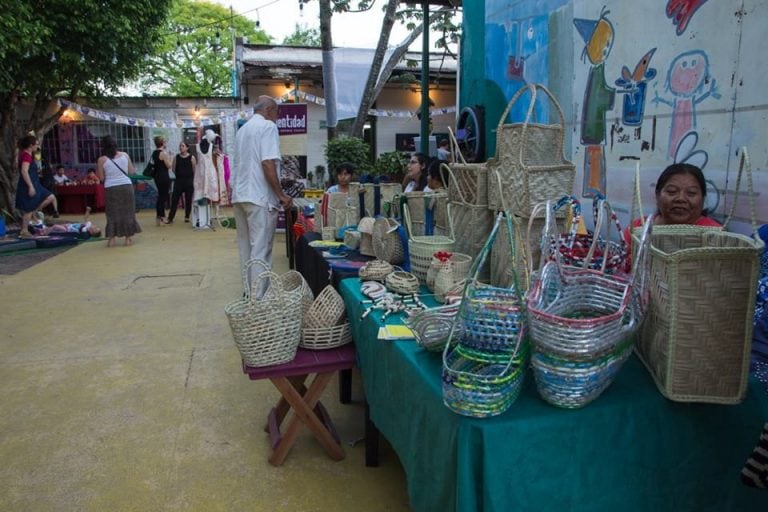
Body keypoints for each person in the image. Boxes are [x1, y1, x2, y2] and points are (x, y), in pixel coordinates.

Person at [231, 95, 292, 294]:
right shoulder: (267, 127)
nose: (276, 118)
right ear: (268, 110)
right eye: (276, 113)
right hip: (259, 197)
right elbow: (267, 163)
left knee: (246, 249)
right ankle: (258, 299)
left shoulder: (242, 130)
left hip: (241, 195)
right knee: (260, 250)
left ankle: (249, 292)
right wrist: (281, 195)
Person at [623, 162, 721, 267]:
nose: (681, 199)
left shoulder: (716, 235)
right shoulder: (638, 228)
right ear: (657, 195)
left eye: (691, 193)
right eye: (672, 191)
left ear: (703, 198)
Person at [96, 135, 142, 247]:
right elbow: (131, 172)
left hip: (111, 188)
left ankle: (111, 239)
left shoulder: (102, 160)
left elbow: (101, 178)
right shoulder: (125, 155)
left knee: (112, 213)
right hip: (126, 186)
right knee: (128, 212)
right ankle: (128, 238)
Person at [15, 135, 59, 238]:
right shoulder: (26, 156)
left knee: (50, 197)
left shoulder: (29, 155)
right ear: (31, 145)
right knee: (28, 208)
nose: (38, 146)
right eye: (37, 144)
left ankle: (34, 213)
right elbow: (24, 171)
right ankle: (24, 230)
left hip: (36, 184)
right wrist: (30, 186)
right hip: (29, 184)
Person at [167, 142, 196, 224]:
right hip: (179, 181)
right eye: (180, 146)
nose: (181, 147)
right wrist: (179, 175)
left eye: (183, 146)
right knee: (175, 199)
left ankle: (187, 216)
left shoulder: (192, 157)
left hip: (188, 181)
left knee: (188, 199)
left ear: (187, 148)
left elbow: (194, 169)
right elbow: (173, 168)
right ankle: (170, 218)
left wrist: (190, 178)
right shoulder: (176, 157)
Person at [30, 206, 102, 237]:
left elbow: (82, 233)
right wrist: (88, 211)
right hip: (68, 225)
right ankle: (42, 229)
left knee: (55, 226)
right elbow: (86, 218)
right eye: (95, 227)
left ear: (92, 233)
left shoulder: (85, 231)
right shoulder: (88, 225)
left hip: (67, 230)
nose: (94, 228)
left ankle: (43, 233)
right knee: (54, 224)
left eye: (94, 230)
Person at [150, 136, 173, 226]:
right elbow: (169, 166)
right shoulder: (163, 153)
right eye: (165, 142)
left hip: (157, 177)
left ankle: (158, 217)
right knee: (163, 197)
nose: (166, 143)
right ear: (162, 143)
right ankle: (162, 216)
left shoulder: (154, 153)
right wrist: (171, 156)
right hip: (163, 177)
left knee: (160, 196)